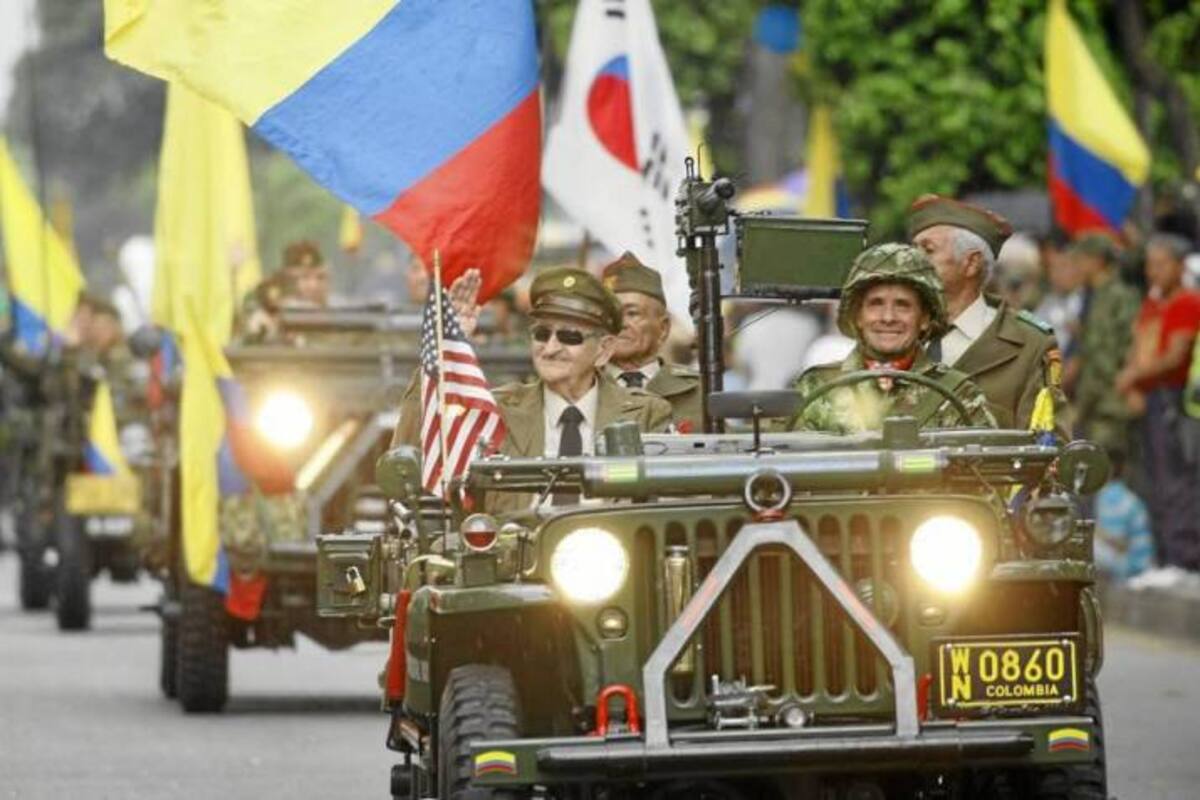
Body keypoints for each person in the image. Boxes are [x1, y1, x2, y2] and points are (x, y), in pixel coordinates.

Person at [393, 267, 672, 510]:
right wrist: (445, 351)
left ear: (604, 349)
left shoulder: (645, 415)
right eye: (541, 333)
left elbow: (663, 508)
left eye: (569, 337)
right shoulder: (494, 411)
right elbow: (413, 456)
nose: (550, 348)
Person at [789, 243, 996, 433]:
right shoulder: (816, 387)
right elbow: (783, 466)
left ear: (924, 318)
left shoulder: (957, 394)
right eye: (876, 304)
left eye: (902, 305)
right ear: (857, 316)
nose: (888, 318)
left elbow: (984, 471)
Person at [908, 195, 1068, 436]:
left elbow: (1049, 446)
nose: (911, 260)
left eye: (928, 250)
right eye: (913, 249)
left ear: (971, 263)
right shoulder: (896, 332)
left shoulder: (1029, 345)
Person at [1114, 233, 1200, 575]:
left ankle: (1183, 558)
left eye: (1161, 265)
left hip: (1171, 398)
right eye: (1150, 265)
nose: (1153, 272)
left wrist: (1133, 376)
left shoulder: (1188, 302)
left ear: (1180, 266)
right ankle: (1161, 555)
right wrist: (1132, 382)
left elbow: (1174, 356)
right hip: (1149, 398)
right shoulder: (1152, 304)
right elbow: (1138, 346)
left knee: (1175, 480)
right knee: (1152, 479)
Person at [600, 251, 701, 430]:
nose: (620, 324)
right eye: (611, 314)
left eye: (632, 313)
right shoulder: (582, 388)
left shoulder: (697, 392)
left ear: (663, 328)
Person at [1067, 234, 1140, 453]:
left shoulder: (1119, 296)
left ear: (1097, 261)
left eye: (1080, 260)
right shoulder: (1092, 296)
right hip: (1091, 400)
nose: (1076, 267)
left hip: (1112, 400)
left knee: (1107, 465)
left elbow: (1125, 346)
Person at [1094, 448, 1155, 583]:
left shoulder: (1111, 497)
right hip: (1139, 562)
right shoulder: (1127, 496)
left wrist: (1096, 532)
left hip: (1133, 565)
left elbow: (1121, 543)